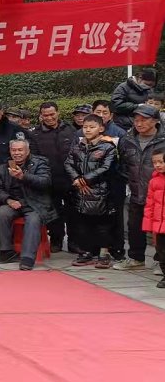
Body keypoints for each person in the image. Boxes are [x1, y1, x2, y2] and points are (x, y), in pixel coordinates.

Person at [0, 140, 57, 271]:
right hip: (14, 202)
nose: (17, 153)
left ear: (27, 151)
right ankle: (6, 251)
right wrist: (8, 200)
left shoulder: (40, 163)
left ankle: (27, 258)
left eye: (20, 150)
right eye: (14, 150)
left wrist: (23, 176)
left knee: (33, 220)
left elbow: (45, 182)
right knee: (1, 213)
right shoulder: (3, 167)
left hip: (35, 203)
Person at [113, 105, 165, 270]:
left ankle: (161, 261)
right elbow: (122, 165)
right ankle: (136, 258)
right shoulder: (127, 139)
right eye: (136, 120)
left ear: (156, 121)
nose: (139, 123)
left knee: (161, 230)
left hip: (160, 193)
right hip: (136, 190)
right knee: (134, 226)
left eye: (144, 119)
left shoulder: (163, 139)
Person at [64, 114, 117, 269]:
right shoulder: (77, 146)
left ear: (101, 128)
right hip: (80, 191)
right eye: (85, 127)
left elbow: (106, 168)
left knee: (102, 225)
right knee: (82, 224)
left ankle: (103, 253)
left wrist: (85, 179)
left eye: (92, 127)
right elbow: (68, 163)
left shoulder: (108, 147)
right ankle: (85, 252)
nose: (87, 130)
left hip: (101, 191)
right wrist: (77, 179)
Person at [30, 102, 77, 253]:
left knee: (73, 212)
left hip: (70, 179)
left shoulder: (70, 130)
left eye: (52, 114)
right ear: (41, 116)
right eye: (45, 115)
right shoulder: (35, 134)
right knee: (54, 212)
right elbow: (34, 158)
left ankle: (74, 241)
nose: (49, 118)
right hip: (48, 180)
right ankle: (56, 240)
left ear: (58, 113)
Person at [92, 99, 128, 260]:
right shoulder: (83, 132)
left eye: (104, 112)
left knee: (116, 216)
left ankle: (117, 248)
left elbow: (126, 157)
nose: (101, 115)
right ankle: (96, 249)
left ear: (111, 115)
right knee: (94, 215)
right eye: (98, 112)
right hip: (92, 181)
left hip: (114, 180)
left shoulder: (120, 133)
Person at [143, 151, 165, 287]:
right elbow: (149, 204)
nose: (157, 165)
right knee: (161, 251)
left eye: (161, 162)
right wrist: (148, 224)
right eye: (154, 163)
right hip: (159, 224)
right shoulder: (154, 181)